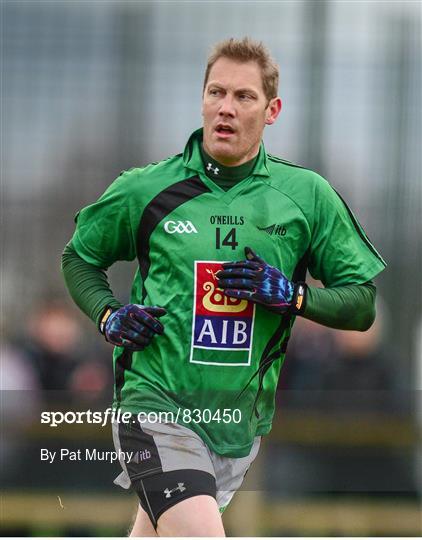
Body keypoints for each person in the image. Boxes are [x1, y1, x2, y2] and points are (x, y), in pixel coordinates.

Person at [62, 37, 386, 537]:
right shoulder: (146, 189)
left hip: (235, 424)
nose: (225, 108)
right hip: (153, 407)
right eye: (216, 93)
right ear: (202, 99)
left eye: (243, 97)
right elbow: (79, 257)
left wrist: (293, 296)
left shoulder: (305, 197)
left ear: (272, 109)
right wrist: (108, 314)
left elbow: (360, 303)